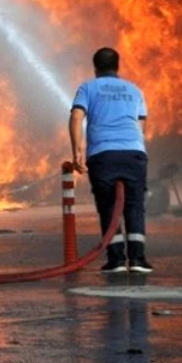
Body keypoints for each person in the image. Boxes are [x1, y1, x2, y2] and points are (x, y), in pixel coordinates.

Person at [69, 47, 150, 274]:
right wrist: (133, 146)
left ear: (96, 68)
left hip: (103, 155)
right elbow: (141, 123)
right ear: (117, 66)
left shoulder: (88, 87)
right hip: (134, 153)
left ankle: (115, 261)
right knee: (134, 205)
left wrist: (77, 152)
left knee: (108, 206)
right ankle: (138, 260)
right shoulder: (134, 90)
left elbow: (77, 116)